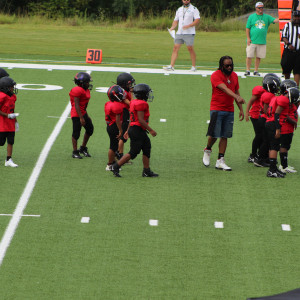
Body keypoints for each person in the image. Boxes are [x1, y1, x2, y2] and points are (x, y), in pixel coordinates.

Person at [202, 56, 245, 171]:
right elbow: (225, 89)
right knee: (215, 134)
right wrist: (237, 97)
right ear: (222, 66)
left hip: (229, 110)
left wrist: (240, 109)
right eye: (227, 65)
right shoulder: (215, 75)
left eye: (231, 65)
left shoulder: (234, 76)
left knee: (225, 135)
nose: (230, 67)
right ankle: (208, 149)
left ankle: (220, 160)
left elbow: (236, 90)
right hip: (217, 108)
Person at [111, 84, 158, 178]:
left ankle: (146, 171)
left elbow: (132, 118)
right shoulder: (142, 104)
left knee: (146, 148)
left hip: (135, 129)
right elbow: (140, 120)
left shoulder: (133, 102)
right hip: (137, 130)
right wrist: (151, 130)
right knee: (133, 152)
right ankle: (115, 166)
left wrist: (127, 130)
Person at [265, 87, 300, 178]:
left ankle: (273, 168)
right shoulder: (284, 100)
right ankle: (272, 171)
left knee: (274, 146)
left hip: (270, 122)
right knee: (274, 147)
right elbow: (277, 114)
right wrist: (277, 129)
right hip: (273, 123)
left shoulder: (277, 98)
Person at [163, 0, 200, 72]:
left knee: (190, 48)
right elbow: (175, 20)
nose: (186, 1)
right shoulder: (179, 9)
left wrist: (189, 25)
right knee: (175, 48)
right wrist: (172, 27)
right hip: (179, 32)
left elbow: (197, 20)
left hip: (189, 32)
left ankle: (193, 67)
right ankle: (171, 66)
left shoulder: (194, 9)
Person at [253, 74, 281, 167]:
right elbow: (266, 109)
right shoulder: (268, 95)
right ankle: (259, 159)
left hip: (264, 118)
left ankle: (264, 157)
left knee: (266, 140)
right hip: (265, 118)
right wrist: (271, 116)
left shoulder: (268, 94)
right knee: (266, 141)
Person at [244, 2, 279, 76]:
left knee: (259, 56)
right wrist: (248, 38)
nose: (261, 9)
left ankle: (256, 70)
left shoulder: (266, 17)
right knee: (249, 56)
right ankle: (247, 70)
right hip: (252, 40)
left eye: (262, 7)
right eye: (259, 8)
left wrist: (283, 16)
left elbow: (275, 20)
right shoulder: (251, 17)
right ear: (256, 8)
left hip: (262, 41)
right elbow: (247, 28)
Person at [69, 72, 94, 159]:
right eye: (87, 82)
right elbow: (76, 105)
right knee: (76, 133)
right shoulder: (77, 90)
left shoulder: (85, 90)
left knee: (90, 129)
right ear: (81, 83)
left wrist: (85, 115)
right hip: (77, 114)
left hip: (83, 112)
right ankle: (75, 152)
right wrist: (81, 118)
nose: (88, 84)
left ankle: (83, 148)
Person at [115, 72, 135, 161]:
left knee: (123, 136)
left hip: (124, 112)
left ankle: (120, 154)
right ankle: (119, 155)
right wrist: (132, 93)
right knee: (123, 136)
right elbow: (132, 104)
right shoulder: (124, 93)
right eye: (129, 83)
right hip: (124, 113)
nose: (130, 85)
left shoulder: (122, 91)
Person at [105, 85, 125, 171]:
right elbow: (117, 120)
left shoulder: (108, 103)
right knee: (113, 146)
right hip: (114, 126)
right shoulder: (118, 106)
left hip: (110, 125)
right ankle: (110, 164)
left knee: (114, 145)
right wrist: (121, 130)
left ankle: (112, 161)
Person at [0, 77, 19, 167]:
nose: (13, 88)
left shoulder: (13, 96)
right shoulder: (1, 96)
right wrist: (7, 115)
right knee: (1, 142)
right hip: (2, 124)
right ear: (5, 87)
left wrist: (15, 121)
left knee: (11, 141)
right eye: (11, 87)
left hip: (10, 124)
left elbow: (12, 109)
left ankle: (8, 159)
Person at [245, 81, 266, 162]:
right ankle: (253, 155)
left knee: (263, 135)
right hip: (256, 115)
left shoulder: (268, 92)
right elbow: (251, 101)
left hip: (264, 116)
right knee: (259, 135)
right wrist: (247, 112)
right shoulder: (260, 90)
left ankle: (260, 154)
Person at [280, 10, 300, 86]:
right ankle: (287, 85)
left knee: (297, 71)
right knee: (286, 68)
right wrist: (289, 44)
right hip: (288, 51)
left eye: (298, 17)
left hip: (298, 52)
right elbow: (284, 36)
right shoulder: (288, 25)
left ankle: (296, 88)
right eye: (295, 17)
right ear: (292, 17)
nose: (297, 18)